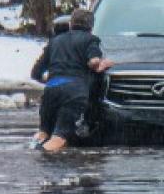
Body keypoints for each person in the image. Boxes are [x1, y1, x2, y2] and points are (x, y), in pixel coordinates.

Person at [30, 9, 114, 152]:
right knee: (59, 136)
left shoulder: (55, 41)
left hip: (51, 90)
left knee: (44, 132)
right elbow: (94, 62)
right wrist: (106, 64)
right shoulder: (90, 40)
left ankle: (35, 150)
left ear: (71, 24)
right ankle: (40, 162)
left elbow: (35, 73)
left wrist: (51, 80)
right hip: (73, 93)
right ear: (91, 26)